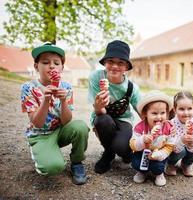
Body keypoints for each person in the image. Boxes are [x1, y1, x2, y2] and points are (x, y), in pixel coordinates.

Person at [20, 42, 90, 185]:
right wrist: (45, 100)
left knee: (80, 127)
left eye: (56, 63)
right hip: (40, 135)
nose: (51, 66)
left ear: (62, 68)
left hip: (59, 130)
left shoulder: (66, 87)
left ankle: (77, 162)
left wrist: (64, 101)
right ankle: (42, 151)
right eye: (45, 62)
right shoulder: (28, 88)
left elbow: (66, 121)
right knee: (53, 167)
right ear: (36, 66)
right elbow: (37, 122)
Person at [88, 40, 141, 174]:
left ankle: (126, 153)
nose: (114, 66)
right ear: (105, 63)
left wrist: (157, 123)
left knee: (121, 147)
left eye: (120, 63)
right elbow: (99, 112)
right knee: (102, 120)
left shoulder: (131, 87)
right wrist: (99, 106)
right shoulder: (96, 77)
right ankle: (108, 154)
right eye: (110, 61)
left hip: (124, 120)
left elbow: (142, 111)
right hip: (103, 117)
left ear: (126, 67)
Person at [129, 90, 174, 186]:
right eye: (154, 113)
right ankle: (142, 172)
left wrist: (159, 154)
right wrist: (142, 140)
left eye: (162, 113)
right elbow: (132, 144)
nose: (159, 117)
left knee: (158, 166)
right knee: (136, 163)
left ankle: (159, 174)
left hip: (159, 152)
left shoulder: (168, 128)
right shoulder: (140, 127)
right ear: (145, 113)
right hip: (142, 152)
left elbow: (169, 146)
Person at [165, 91, 193, 177]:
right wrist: (181, 141)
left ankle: (186, 164)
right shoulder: (171, 124)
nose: (186, 113)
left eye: (189, 108)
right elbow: (173, 149)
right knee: (181, 151)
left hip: (188, 149)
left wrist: (192, 144)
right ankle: (170, 164)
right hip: (174, 151)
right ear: (175, 109)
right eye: (181, 109)